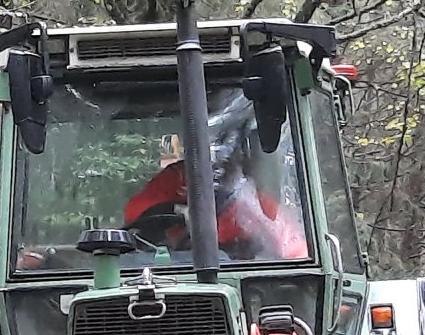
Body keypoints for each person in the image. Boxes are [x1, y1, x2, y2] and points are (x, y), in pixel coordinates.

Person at [123, 107, 307, 260]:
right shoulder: (178, 178)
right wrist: (177, 210)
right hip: (176, 272)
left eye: (232, 149)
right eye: (221, 148)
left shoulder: (255, 198)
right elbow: (135, 217)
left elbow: (292, 250)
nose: (222, 159)